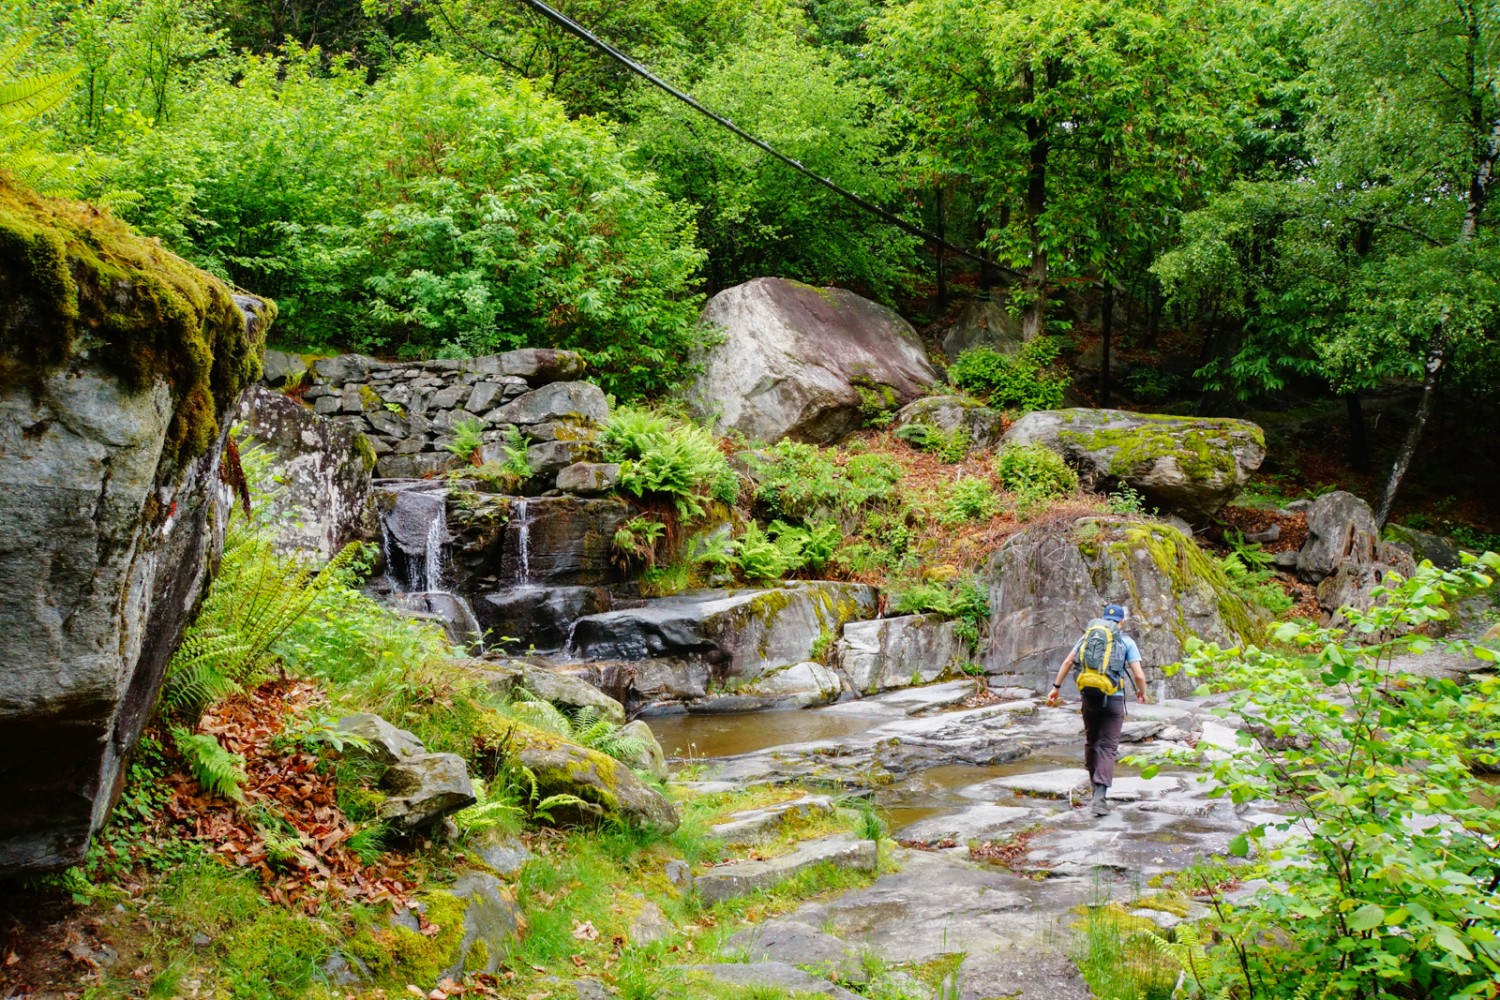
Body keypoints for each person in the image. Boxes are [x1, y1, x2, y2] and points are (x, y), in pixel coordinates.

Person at [1045, 604, 1149, 817]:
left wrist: (1055, 688)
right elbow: (1138, 674)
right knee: (1108, 746)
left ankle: (1094, 789)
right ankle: (1100, 799)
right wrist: (1142, 692)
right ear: (1121, 621)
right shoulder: (1126, 641)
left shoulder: (1088, 637)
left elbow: (1067, 661)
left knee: (1092, 741)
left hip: (1089, 697)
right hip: (1114, 699)